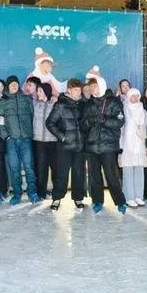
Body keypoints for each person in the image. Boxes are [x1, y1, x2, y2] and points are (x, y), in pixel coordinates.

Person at [82, 77, 127, 214]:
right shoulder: (88, 104)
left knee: (111, 175)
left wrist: (104, 120)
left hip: (108, 145)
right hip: (92, 146)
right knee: (94, 176)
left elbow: (120, 121)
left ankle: (120, 201)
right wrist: (90, 122)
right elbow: (82, 124)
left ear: (101, 85)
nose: (91, 88)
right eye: (90, 86)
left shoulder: (113, 101)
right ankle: (97, 201)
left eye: (94, 85)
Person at [0, 75, 39, 206]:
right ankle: (17, 193)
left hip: (26, 139)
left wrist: (30, 133)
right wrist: (6, 136)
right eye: (11, 84)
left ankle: (32, 192)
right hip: (11, 140)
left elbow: (33, 116)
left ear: (18, 85)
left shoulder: (26, 99)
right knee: (14, 168)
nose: (14, 86)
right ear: (8, 86)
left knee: (29, 166)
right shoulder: (3, 101)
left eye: (15, 84)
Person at [45, 79, 87, 211]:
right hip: (64, 147)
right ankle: (57, 198)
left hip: (79, 146)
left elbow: (85, 124)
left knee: (78, 173)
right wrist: (62, 137)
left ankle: (78, 198)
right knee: (62, 173)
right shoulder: (60, 105)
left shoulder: (82, 104)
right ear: (69, 90)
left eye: (80, 90)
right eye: (76, 90)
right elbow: (49, 123)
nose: (79, 92)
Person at [119, 88, 147, 208]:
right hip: (127, 144)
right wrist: (120, 145)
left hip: (139, 143)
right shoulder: (124, 110)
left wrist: (142, 132)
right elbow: (120, 129)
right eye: (132, 96)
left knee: (139, 170)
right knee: (128, 170)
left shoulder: (143, 111)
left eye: (137, 96)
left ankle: (138, 196)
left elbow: (145, 126)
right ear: (128, 97)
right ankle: (129, 197)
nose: (135, 98)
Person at [33, 83, 57, 199]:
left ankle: (57, 192)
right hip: (39, 141)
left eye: (40, 91)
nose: (38, 93)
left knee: (55, 167)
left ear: (46, 92)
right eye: (37, 91)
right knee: (41, 167)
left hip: (52, 140)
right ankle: (41, 193)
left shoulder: (54, 104)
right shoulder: (35, 104)